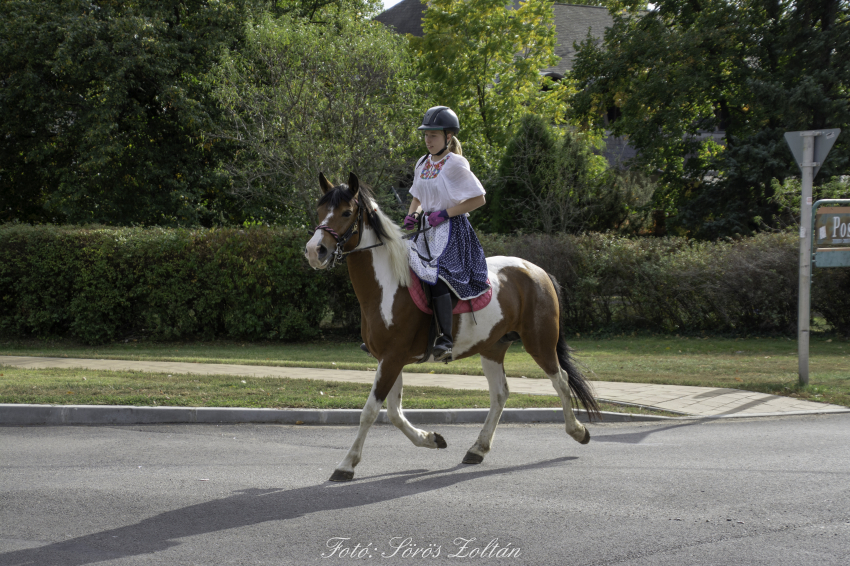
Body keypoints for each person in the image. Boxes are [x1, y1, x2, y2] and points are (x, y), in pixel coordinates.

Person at [403, 106, 490, 362]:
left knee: (438, 276)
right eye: (426, 135)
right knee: (403, 267)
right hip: (427, 230)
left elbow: (479, 198)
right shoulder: (423, 162)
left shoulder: (455, 163)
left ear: (448, 137)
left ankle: (446, 339)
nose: (428, 140)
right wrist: (413, 214)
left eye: (433, 135)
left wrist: (446, 213)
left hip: (453, 232)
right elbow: (417, 194)